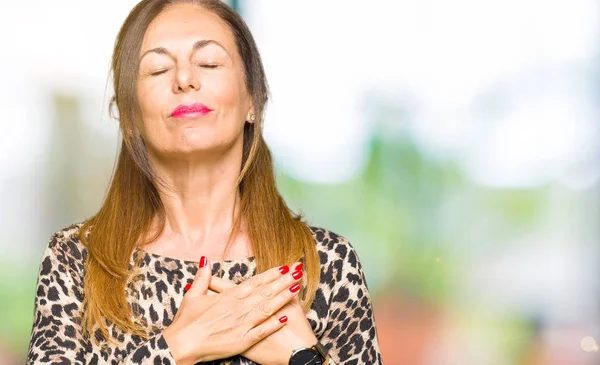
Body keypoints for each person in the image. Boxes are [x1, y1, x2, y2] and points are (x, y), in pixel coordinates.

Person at [26, 1, 384, 364]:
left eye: (209, 63)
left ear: (253, 100)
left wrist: (303, 359)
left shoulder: (328, 264)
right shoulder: (77, 260)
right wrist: (180, 345)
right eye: (158, 69)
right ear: (130, 116)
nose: (184, 80)